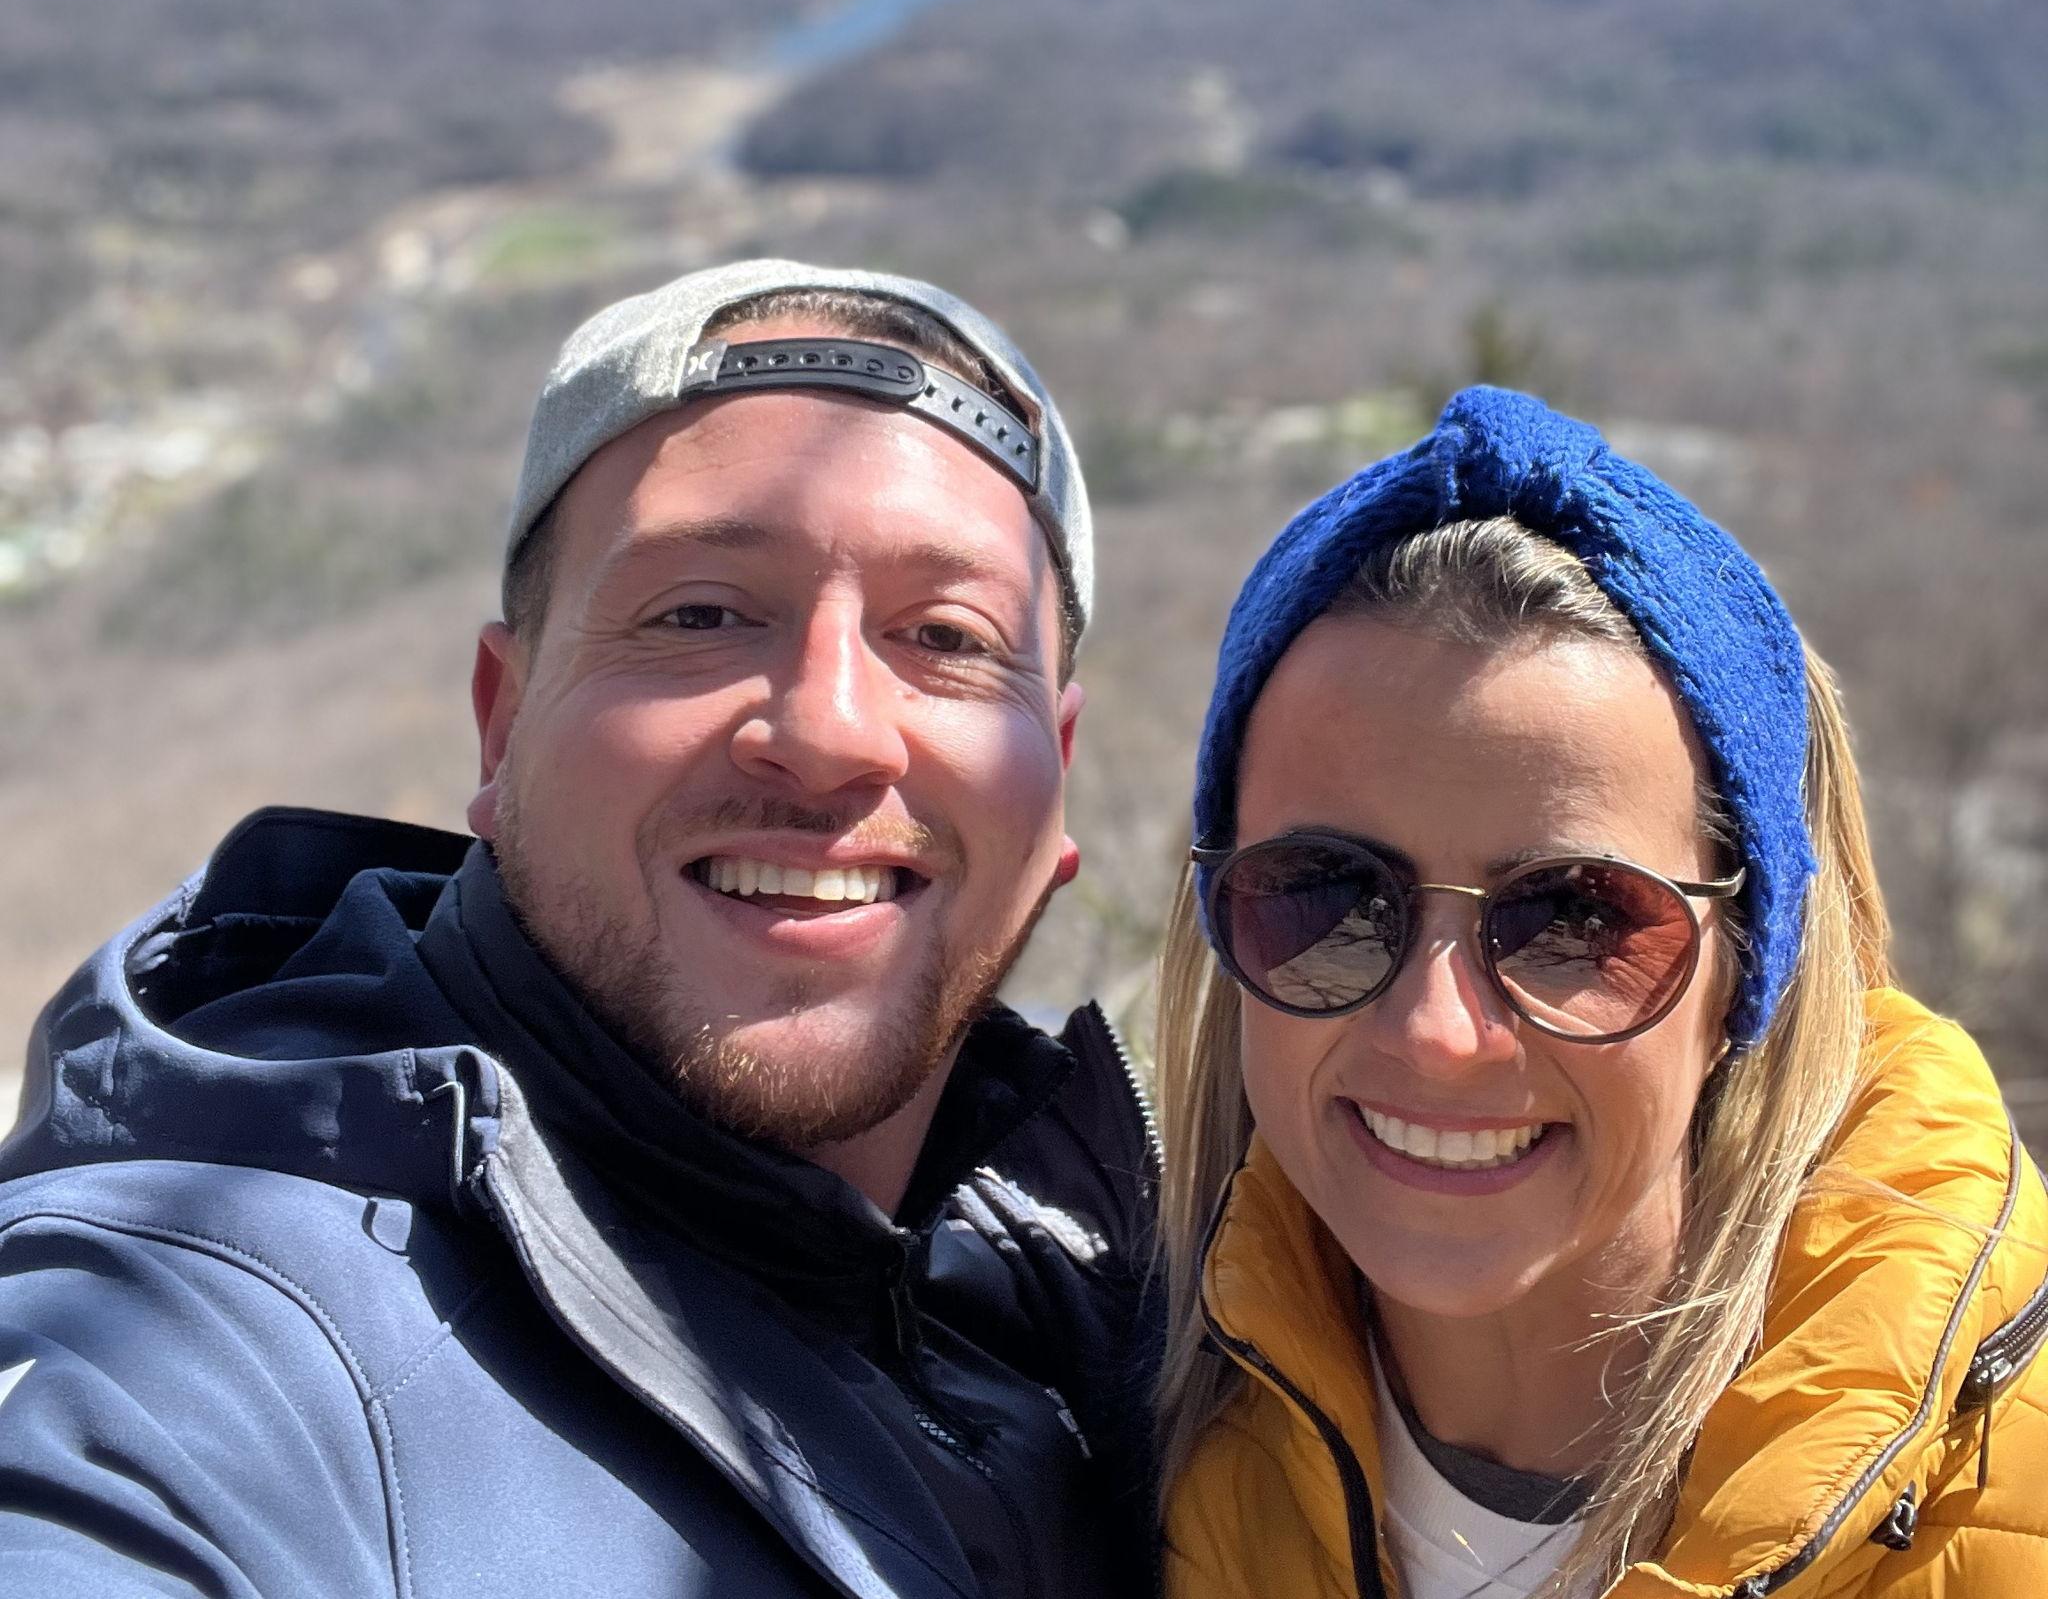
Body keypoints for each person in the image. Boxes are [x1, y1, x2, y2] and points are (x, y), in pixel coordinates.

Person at [0, 259, 1160, 1599]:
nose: (831, 730)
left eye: (948, 635)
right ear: (502, 721)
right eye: (702, 613)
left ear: (1055, 776)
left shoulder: (1137, 1331)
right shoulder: (192, 1342)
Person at [1154, 385, 2048, 1597]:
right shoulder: (1103, 1458)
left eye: (1574, 918)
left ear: (1748, 963)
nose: (1436, 1030)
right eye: (1326, 898)